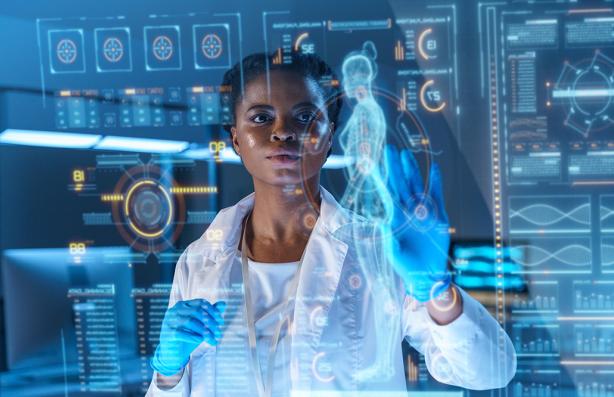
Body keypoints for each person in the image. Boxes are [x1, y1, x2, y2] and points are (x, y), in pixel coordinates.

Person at [146, 51, 517, 397]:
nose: (283, 131)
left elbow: (488, 371)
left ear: (328, 137)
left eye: (305, 116)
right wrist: (168, 372)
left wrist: (438, 290)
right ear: (236, 140)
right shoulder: (200, 260)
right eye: (261, 117)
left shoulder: (380, 252)